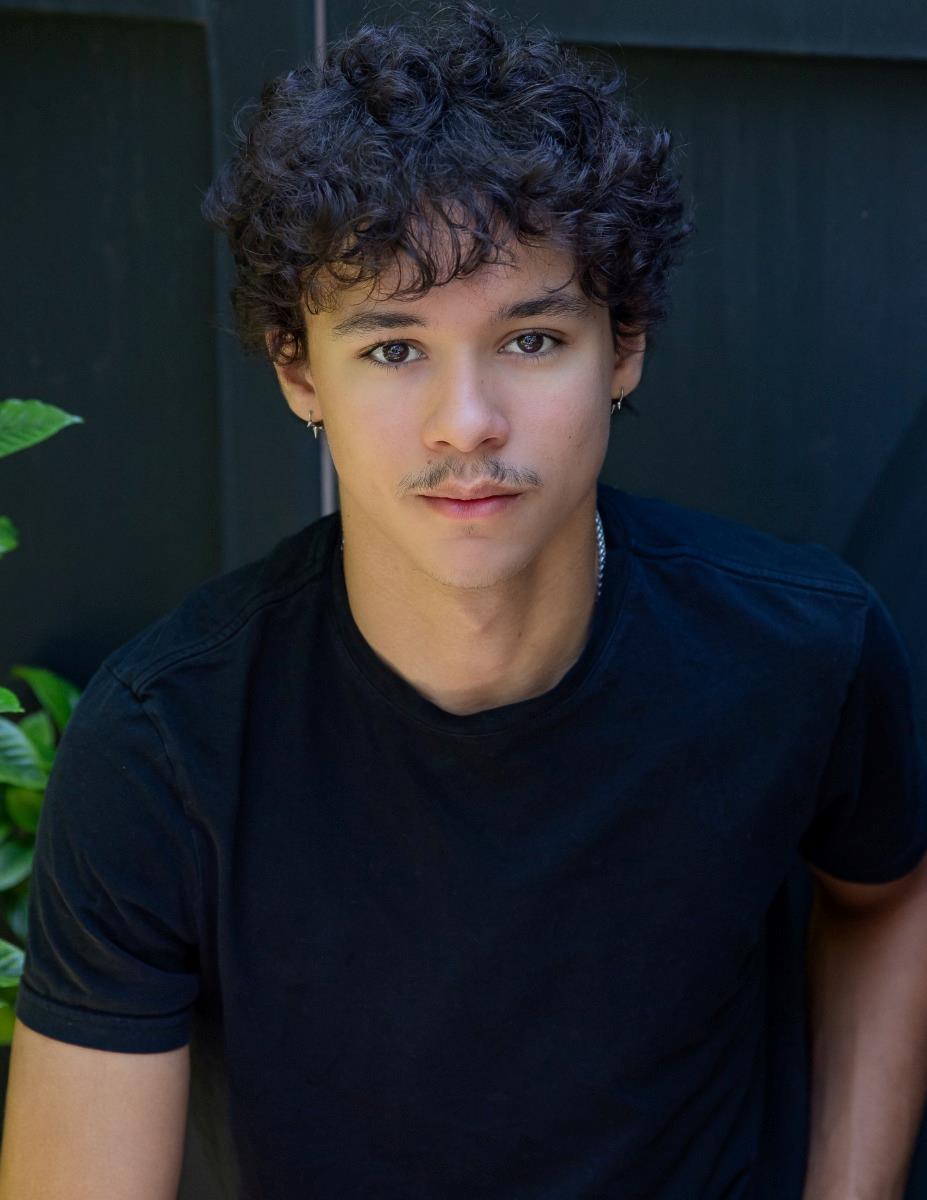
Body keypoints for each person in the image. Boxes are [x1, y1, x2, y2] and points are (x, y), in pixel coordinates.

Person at [2, 3, 927, 1198]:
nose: (467, 423)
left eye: (531, 339)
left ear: (624, 346)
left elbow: (887, 898)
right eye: (393, 349)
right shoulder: (165, 744)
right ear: (300, 372)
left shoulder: (800, 649)